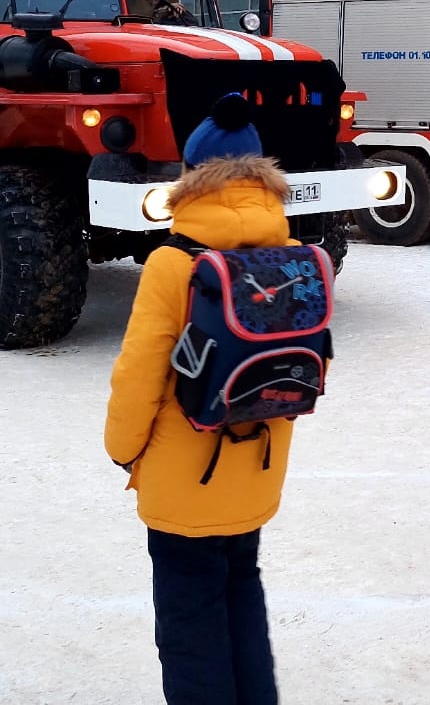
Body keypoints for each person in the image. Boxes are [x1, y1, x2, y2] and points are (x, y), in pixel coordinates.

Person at [104, 95, 298, 705]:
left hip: (183, 480)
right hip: (257, 469)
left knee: (190, 629)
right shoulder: (289, 259)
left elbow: (139, 374)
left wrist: (123, 450)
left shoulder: (173, 264)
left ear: (192, 176)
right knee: (242, 597)